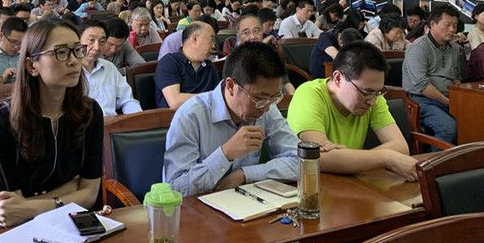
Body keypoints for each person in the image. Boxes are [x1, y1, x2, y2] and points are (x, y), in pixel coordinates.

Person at [0, 20, 103, 243]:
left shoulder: (89, 112)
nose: (74, 60)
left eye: (77, 50)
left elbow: (91, 193)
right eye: (61, 52)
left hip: (69, 227)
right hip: (9, 233)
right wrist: (72, 188)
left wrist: (28, 206)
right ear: (31, 66)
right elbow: (8, 212)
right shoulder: (2, 119)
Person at [163, 41, 298, 196]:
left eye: (273, 98)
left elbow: (301, 161)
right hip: (200, 207)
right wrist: (225, 154)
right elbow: (175, 189)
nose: (266, 108)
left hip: (246, 203)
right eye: (259, 98)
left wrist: (245, 174)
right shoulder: (191, 116)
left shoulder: (266, 107)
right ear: (230, 86)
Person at [287, 41, 417, 180]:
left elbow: (401, 146)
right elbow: (319, 158)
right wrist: (386, 157)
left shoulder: (374, 96)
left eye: (377, 92)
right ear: (338, 78)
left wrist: (349, 159)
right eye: (366, 92)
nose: (372, 101)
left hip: (351, 182)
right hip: (315, 183)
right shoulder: (308, 95)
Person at [402, 5, 463, 145]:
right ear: (433, 24)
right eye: (447, 25)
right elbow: (423, 86)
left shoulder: (455, 49)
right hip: (421, 100)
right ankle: (433, 159)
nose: (452, 29)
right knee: (448, 129)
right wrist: (449, 102)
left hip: (448, 98)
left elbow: (456, 78)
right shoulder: (418, 48)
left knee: (476, 120)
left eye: (455, 26)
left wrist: (458, 98)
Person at [79, 21, 142, 117]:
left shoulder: (110, 68)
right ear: (78, 41)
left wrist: (138, 119)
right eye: (91, 40)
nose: (97, 47)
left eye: (102, 42)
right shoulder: (69, 71)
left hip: (113, 123)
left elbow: (127, 100)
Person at [155, 21, 220, 109]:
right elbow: (175, 102)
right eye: (211, 40)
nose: (213, 46)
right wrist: (210, 97)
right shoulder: (169, 62)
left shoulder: (209, 66)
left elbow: (219, 97)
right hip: (174, 116)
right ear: (195, 39)